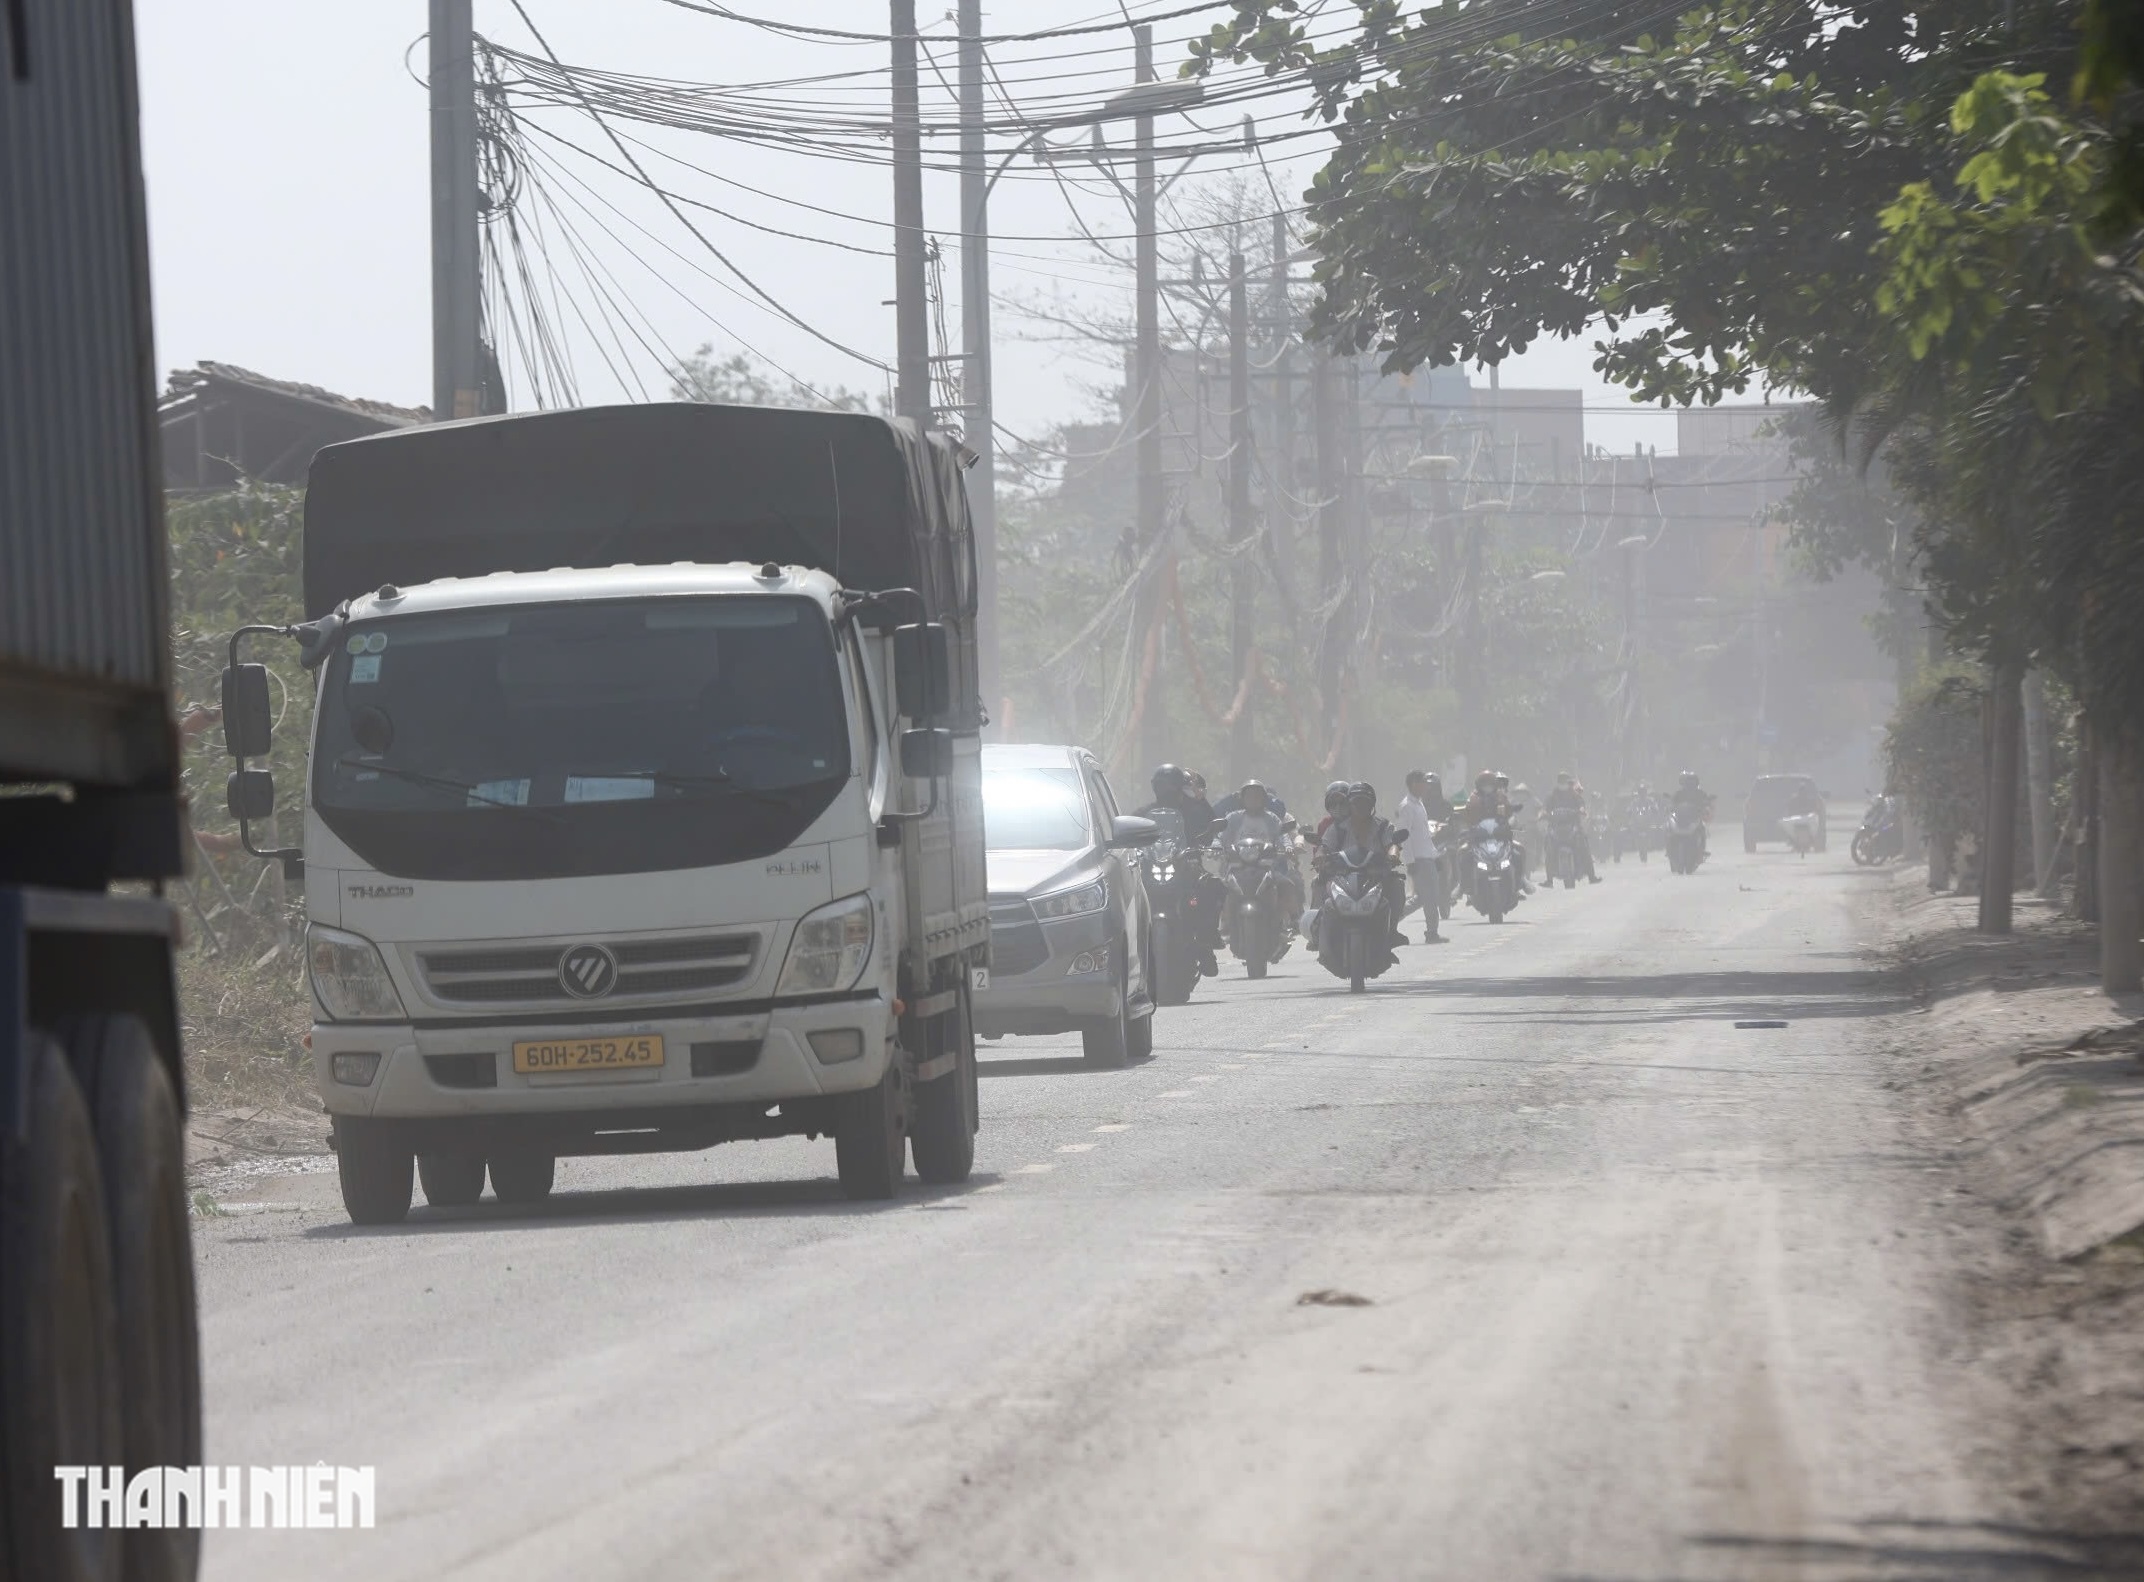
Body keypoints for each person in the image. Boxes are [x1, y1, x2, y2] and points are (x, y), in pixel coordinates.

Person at [1146, 763, 1224, 973]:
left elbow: (1212, 824)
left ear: (1181, 786)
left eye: (1172, 785)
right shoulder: (1145, 813)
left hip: (1187, 867)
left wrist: (1201, 799)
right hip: (1154, 868)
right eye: (1163, 786)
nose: (1167, 790)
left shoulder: (1195, 809)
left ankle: (1206, 941)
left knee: (1213, 886)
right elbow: (1129, 833)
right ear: (1155, 787)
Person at [1316, 782, 1407, 951]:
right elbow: (1324, 846)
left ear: (1372, 804)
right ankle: (1320, 934)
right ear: (1349, 804)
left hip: (1375, 875)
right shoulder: (1337, 828)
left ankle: (1392, 930)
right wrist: (1320, 857)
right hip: (1343, 877)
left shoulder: (1382, 826)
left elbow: (1392, 843)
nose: (1360, 807)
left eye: (1365, 802)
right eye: (1356, 802)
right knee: (1322, 888)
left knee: (1397, 884)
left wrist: (1393, 854)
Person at [1221, 779, 1301, 923]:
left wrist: (1288, 847)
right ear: (1242, 799)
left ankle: (1295, 920)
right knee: (1220, 889)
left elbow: (1282, 836)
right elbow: (1221, 835)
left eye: (1257, 796)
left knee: (1287, 885)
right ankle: (1224, 923)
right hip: (1237, 868)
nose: (1253, 800)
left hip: (1266, 868)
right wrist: (1215, 846)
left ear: (1264, 799)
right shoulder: (1233, 818)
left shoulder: (1272, 818)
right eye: (1249, 796)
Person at [1394, 770, 1451, 943]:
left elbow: (1424, 836)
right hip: (1419, 860)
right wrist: (1410, 862)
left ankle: (1391, 919)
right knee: (1431, 896)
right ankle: (1431, 933)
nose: (1426, 787)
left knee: (1423, 897)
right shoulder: (1407, 806)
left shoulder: (1419, 804)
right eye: (1423, 783)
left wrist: (1435, 857)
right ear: (1414, 784)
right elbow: (1404, 836)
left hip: (1427, 857)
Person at [1544, 770, 1603, 883]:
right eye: (1560, 781)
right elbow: (1546, 807)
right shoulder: (1552, 795)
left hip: (1573, 825)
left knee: (1585, 846)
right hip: (1555, 826)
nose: (1562, 783)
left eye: (1564, 781)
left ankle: (1592, 877)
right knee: (1548, 847)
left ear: (1568, 782)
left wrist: (1581, 809)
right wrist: (1543, 813)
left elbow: (1581, 804)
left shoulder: (1574, 794)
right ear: (1557, 782)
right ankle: (1549, 880)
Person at [1671, 769, 1714, 856]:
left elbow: (1707, 802)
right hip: (1682, 817)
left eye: (1693, 782)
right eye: (1689, 782)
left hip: (1695, 817)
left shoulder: (1700, 793)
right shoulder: (1680, 793)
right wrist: (1670, 807)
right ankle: (1670, 849)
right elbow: (1673, 802)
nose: (1691, 784)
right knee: (1670, 827)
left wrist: (1707, 805)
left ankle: (1701, 850)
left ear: (1696, 782)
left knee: (1702, 828)